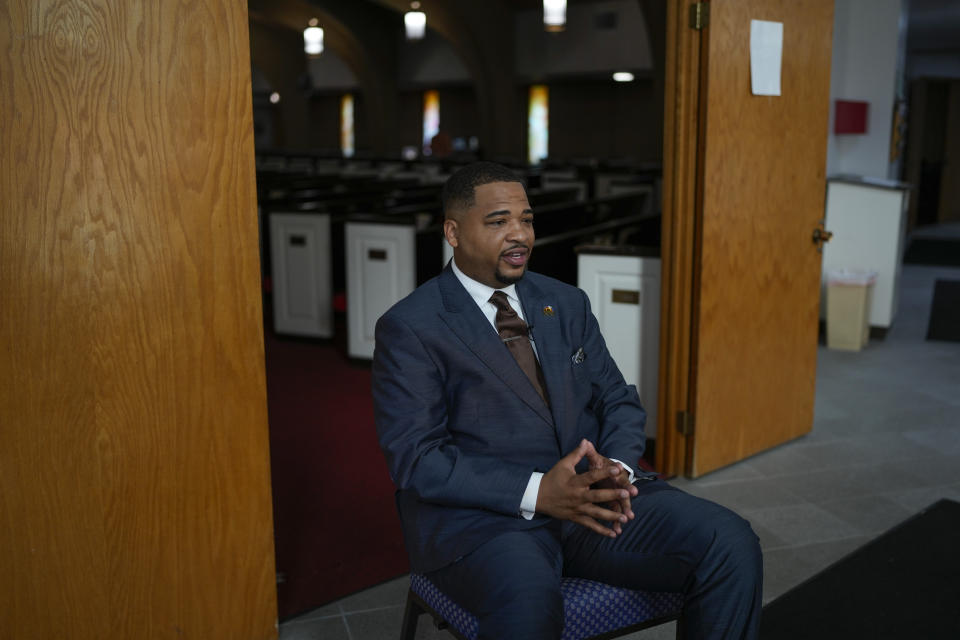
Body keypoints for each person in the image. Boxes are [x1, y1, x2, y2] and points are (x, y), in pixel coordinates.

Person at [372, 161, 762, 639]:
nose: (520, 235)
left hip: (591, 502)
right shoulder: (412, 326)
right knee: (528, 608)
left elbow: (618, 399)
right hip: (490, 522)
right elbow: (417, 459)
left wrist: (614, 467)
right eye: (498, 222)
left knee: (730, 541)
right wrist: (539, 492)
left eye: (527, 219)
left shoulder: (566, 302)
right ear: (453, 232)